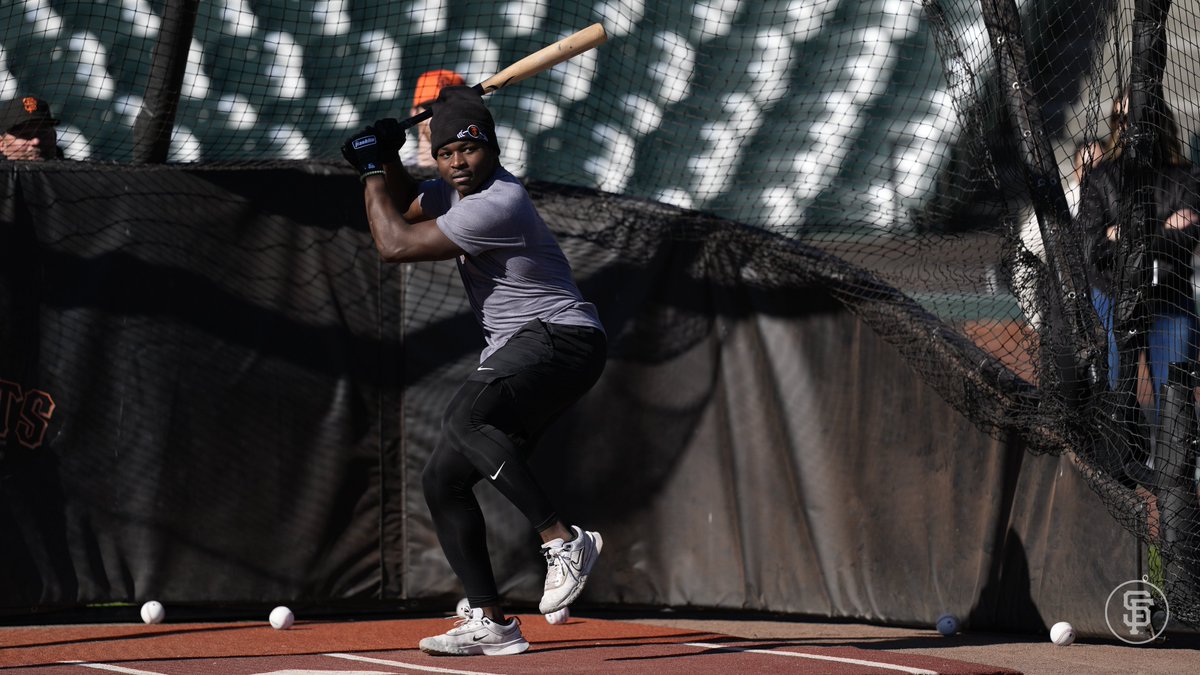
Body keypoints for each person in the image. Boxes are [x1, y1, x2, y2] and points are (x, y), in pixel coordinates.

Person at [341, 86, 607, 656]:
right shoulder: (452, 191)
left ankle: (564, 540)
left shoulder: (498, 203)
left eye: (469, 150)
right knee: (444, 479)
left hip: (561, 336)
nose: (457, 163)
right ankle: (492, 621)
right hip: (533, 346)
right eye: (445, 153)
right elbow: (409, 201)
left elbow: (394, 242)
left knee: (466, 417)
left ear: (493, 151)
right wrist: (388, 158)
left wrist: (368, 169)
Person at [1078, 90, 1200, 406]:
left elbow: (1186, 240)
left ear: (1160, 118)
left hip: (1169, 298)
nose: (1130, 125)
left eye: (1141, 114)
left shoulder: (1188, 177)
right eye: (1122, 118)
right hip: (1113, 298)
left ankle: (1168, 456)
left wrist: (1122, 235)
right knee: (1115, 397)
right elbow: (1091, 246)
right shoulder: (1101, 178)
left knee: (1176, 400)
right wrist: (1163, 228)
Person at [402, 69, 466, 171]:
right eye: (429, 107)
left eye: (449, 106)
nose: (439, 114)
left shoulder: (481, 172)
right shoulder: (397, 176)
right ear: (414, 113)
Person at [0, 95, 60, 161]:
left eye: (43, 133)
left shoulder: (71, 169)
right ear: (1, 144)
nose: (36, 141)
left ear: (54, 136)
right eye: (25, 135)